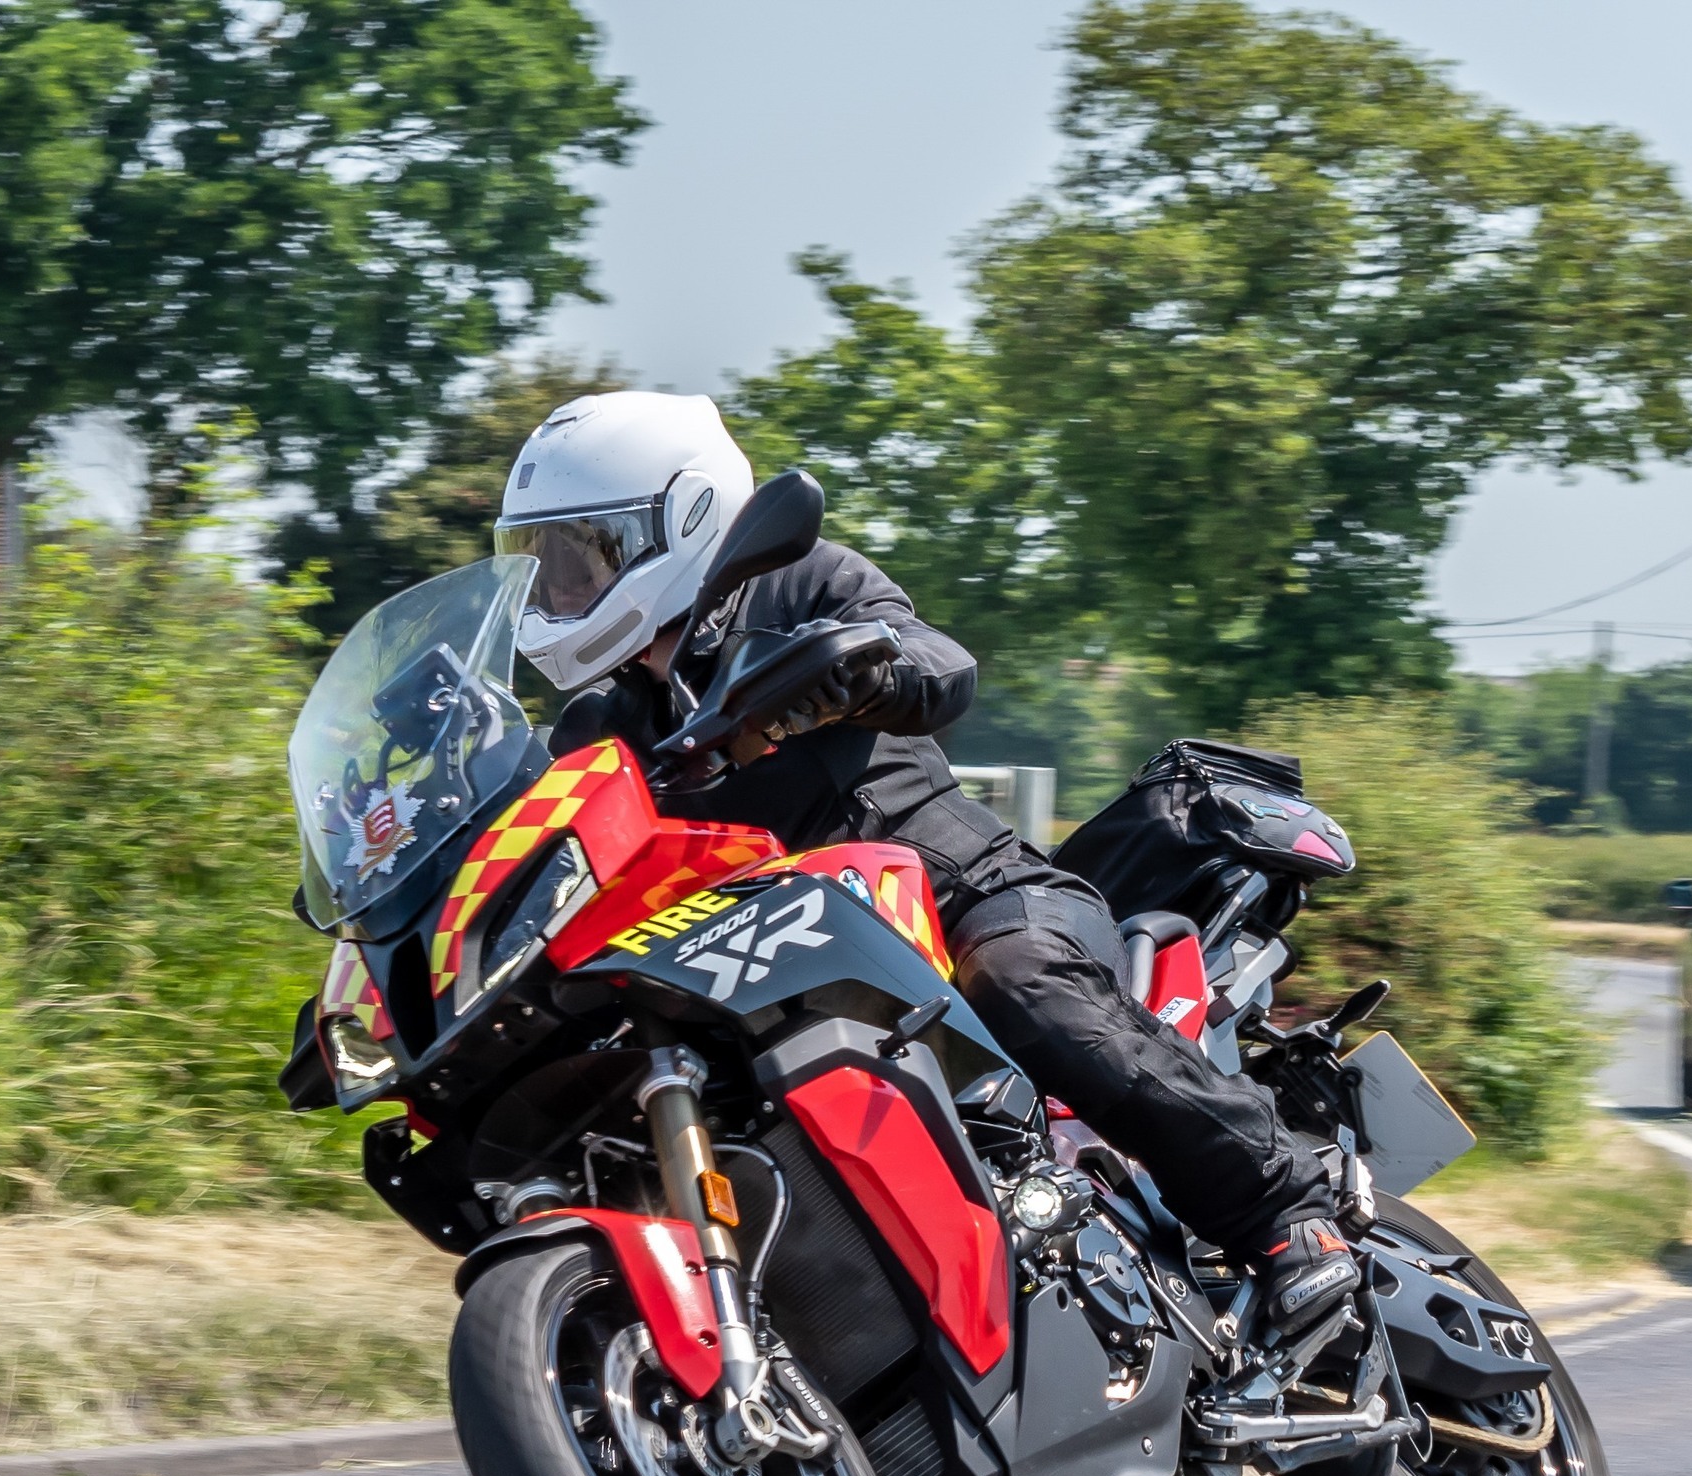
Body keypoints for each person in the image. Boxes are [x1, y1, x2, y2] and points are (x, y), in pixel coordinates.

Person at [494, 391, 1356, 1331]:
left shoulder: (795, 583)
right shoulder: (595, 724)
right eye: (544, 562)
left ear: (684, 517)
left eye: (583, 556)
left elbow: (939, 663)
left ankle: (1286, 1213)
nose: (559, 590)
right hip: (776, 975)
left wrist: (866, 670)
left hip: (964, 900)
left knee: (1020, 980)